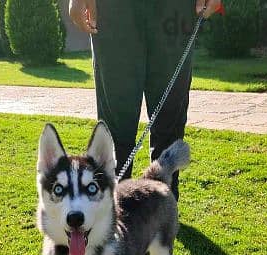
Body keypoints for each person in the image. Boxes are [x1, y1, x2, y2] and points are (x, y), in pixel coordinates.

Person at [69, 0, 222, 199]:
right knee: (116, 119)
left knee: (170, 113)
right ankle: (114, 208)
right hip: (114, 9)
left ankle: (162, 210)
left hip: (175, 7)